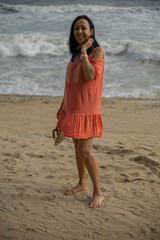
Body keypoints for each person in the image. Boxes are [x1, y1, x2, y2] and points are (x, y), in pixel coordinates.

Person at [57, 15, 105, 208]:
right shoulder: (74, 54)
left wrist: (85, 51)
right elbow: (70, 85)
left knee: (86, 152)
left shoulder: (96, 52)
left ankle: (99, 193)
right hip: (72, 108)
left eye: (83, 28)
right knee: (77, 151)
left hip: (86, 109)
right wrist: (62, 107)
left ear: (91, 31)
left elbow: (90, 74)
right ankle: (82, 183)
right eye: (76, 28)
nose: (79, 31)